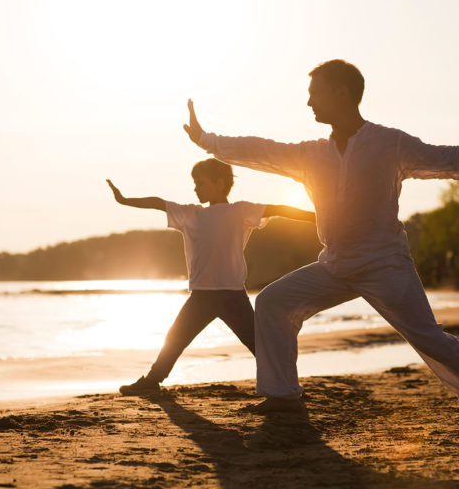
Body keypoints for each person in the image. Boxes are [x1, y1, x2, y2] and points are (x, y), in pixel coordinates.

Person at [182, 59, 459, 418]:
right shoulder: (311, 154)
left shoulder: (388, 144)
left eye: (315, 94)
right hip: (334, 264)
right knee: (272, 302)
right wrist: (207, 141)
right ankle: (283, 395)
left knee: (428, 336)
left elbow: (441, 159)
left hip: (385, 262)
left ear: (341, 92)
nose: (309, 102)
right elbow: (262, 150)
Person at [107, 158, 316, 396]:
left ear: (220, 183)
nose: (196, 188)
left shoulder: (240, 211)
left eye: (200, 183)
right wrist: (124, 200)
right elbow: (158, 203)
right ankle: (153, 380)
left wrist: (316, 217)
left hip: (232, 295)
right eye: (194, 183)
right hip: (201, 296)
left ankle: (286, 384)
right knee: (175, 338)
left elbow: (279, 209)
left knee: (259, 344)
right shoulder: (191, 214)